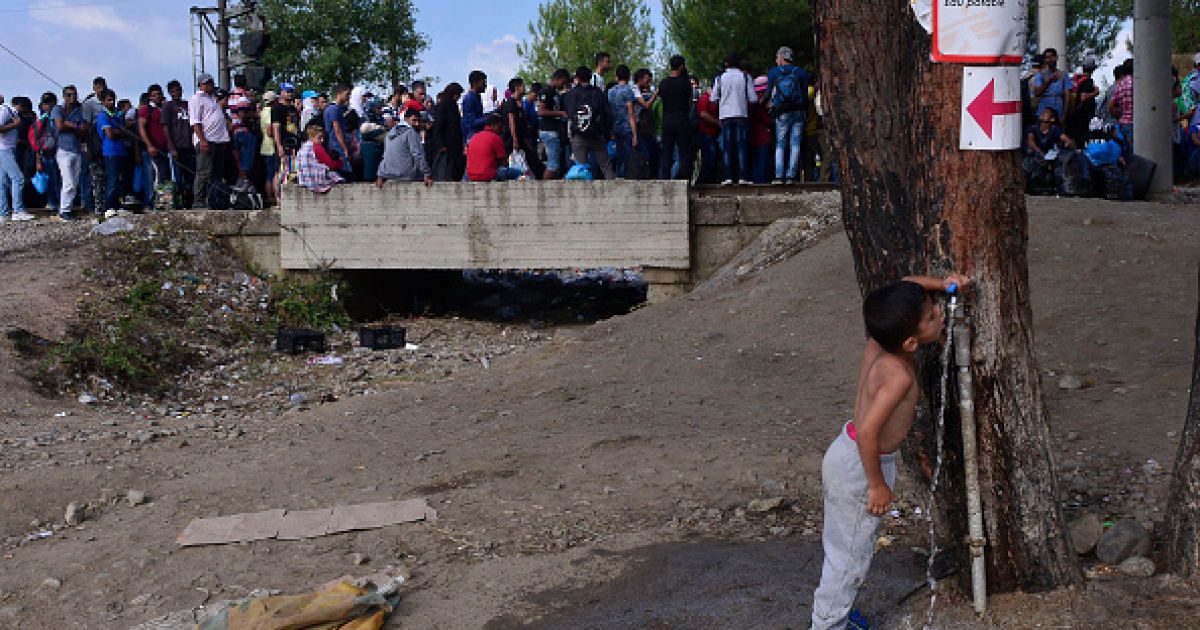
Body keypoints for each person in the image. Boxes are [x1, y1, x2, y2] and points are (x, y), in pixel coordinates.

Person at [810, 274, 968, 630]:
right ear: (911, 342)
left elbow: (906, 282)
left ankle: (834, 613)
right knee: (849, 557)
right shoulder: (899, 376)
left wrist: (941, 284)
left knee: (843, 545)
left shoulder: (879, 338)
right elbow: (869, 431)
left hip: (846, 451)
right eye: (931, 316)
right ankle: (828, 624)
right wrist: (877, 484)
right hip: (861, 465)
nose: (939, 312)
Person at [764, 46, 810, 184]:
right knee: (795, 143)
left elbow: (768, 93)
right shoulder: (801, 72)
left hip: (782, 111)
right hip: (798, 111)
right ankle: (791, 175)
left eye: (777, 57)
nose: (776, 60)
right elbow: (804, 95)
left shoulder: (774, 72)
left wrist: (762, 105)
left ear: (782, 57)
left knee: (780, 143)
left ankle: (779, 175)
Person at [711, 52, 757, 185]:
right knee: (741, 146)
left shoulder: (720, 78)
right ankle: (743, 177)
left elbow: (713, 98)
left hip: (725, 115)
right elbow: (753, 99)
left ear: (726, 64)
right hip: (741, 114)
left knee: (727, 147)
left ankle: (728, 177)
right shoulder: (745, 77)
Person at [562, 66, 615, 180]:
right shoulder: (598, 93)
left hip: (578, 135)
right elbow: (607, 114)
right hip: (597, 135)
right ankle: (612, 186)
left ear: (577, 78)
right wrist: (607, 133)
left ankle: (583, 189)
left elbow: (569, 114)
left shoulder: (571, 94)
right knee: (606, 166)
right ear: (590, 77)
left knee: (581, 168)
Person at [189, 73, 230, 208]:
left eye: (211, 82)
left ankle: (213, 199)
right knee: (204, 171)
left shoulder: (213, 98)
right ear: (201, 85)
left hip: (218, 140)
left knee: (216, 172)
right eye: (207, 83)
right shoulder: (196, 99)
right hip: (206, 139)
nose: (211, 85)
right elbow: (195, 122)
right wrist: (202, 140)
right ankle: (198, 200)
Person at [657, 55, 694, 180]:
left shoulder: (663, 84)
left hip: (667, 120)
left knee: (667, 152)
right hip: (682, 119)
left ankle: (665, 180)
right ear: (681, 66)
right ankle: (685, 180)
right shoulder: (686, 83)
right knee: (684, 152)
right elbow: (690, 103)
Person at [376, 107, 432, 186]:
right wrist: (427, 173)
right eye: (414, 120)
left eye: (419, 121)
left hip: (388, 174)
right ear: (406, 119)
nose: (417, 124)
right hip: (407, 174)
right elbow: (418, 155)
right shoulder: (411, 133)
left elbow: (385, 155)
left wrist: (380, 174)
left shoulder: (389, 133)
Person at [54, 85, 86, 219]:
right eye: (68, 95)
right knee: (68, 182)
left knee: (74, 183)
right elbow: (59, 126)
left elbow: (83, 129)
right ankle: (64, 210)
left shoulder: (79, 111)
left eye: (74, 95)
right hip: (63, 150)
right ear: (64, 96)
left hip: (76, 150)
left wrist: (69, 125)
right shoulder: (58, 109)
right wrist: (75, 126)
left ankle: (67, 208)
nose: (72, 97)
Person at [96, 89, 131, 212]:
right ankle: (108, 206)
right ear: (103, 101)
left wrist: (120, 131)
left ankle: (116, 204)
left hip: (121, 150)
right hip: (110, 151)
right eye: (108, 100)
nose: (111, 102)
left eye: (113, 100)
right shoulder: (103, 115)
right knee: (112, 180)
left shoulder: (116, 115)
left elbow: (124, 132)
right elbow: (110, 134)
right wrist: (121, 131)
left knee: (120, 179)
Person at [1022, 108, 1074, 191]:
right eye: (1043, 112)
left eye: (1046, 113)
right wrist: (1041, 153)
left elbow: (1067, 139)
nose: (1043, 114)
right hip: (1034, 156)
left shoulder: (1054, 129)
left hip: (1048, 158)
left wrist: (1067, 144)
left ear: (1052, 119)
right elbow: (1030, 142)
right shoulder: (1033, 128)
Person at [137, 84, 170, 208]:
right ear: (150, 97)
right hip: (152, 149)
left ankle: (162, 201)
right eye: (154, 95)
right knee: (153, 175)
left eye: (159, 94)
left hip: (164, 148)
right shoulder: (147, 109)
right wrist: (149, 145)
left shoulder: (163, 109)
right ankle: (150, 201)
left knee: (163, 175)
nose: (157, 97)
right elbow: (141, 127)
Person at [162, 80, 195, 207]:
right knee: (178, 177)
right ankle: (178, 202)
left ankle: (189, 201)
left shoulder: (187, 104)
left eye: (178, 90)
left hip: (189, 145)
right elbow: (166, 128)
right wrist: (171, 147)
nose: (176, 93)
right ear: (170, 92)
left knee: (191, 176)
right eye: (173, 91)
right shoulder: (168, 107)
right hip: (176, 146)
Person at [0, 96, 32, 222]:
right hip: (5, 149)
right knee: (18, 178)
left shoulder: (8, 111)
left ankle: (3, 213)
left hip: (7, 148)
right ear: (21, 106)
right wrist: (15, 125)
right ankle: (17, 210)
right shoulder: (6, 110)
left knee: (3, 182)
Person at [466, 113, 522, 182]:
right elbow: (503, 162)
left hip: (471, 175)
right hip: (489, 175)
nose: (501, 129)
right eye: (500, 126)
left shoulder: (474, 137)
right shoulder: (495, 138)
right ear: (494, 125)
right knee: (518, 173)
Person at [32, 92, 62, 216]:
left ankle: (60, 203)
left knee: (60, 180)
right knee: (51, 181)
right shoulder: (41, 121)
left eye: (50, 103)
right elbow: (37, 142)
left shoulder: (59, 116)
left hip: (61, 152)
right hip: (47, 154)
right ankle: (54, 203)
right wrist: (38, 160)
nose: (48, 105)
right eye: (46, 103)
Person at [537, 69, 570, 179]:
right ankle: (544, 187)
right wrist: (560, 113)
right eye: (563, 82)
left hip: (554, 130)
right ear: (559, 79)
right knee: (553, 165)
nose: (563, 85)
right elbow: (541, 111)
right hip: (548, 131)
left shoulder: (554, 92)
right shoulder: (546, 91)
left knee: (555, 163)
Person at [430, 83, 465, 181]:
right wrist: (441, 144)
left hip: (454, 144)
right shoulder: (443, 106)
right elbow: (439, 126)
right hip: (447, 144)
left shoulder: (453, 106)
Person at [295, 126, 345, 193]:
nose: (322, 140)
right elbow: (331, 164)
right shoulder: (316, 147)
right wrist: (340, 162)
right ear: (311, 137)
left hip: (303, 181)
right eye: (319, 138)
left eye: (322, 138)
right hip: (316, 181)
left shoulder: (302, 149)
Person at [1065, 56, 1100, 146]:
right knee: (1082, 142)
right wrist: (1095, 93)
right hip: (1082, 118)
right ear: (1093, 69)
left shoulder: (1075, 79)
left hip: (1072, 116)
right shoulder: (1088, 81)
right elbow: (1083, 97)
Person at [608, 65, 636, 178]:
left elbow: (609, 112)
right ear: (628, 77)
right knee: (626, 157)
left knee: (616, 156)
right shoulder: (628, 91)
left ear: (616, 76)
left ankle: (617, 176)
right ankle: (623, 177)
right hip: (626, 128)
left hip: (614, 128)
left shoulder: (610, 91)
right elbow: (631, 113)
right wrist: (635, 134)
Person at [1032, 47, 1071, 119]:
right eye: (1047, 57)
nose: (1050, 59)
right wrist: (1050, 81)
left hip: (1058, 109)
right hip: (1043, 109)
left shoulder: (1063, 75)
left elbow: (1067, 96)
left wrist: (1064, 115)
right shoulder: (1040, 75)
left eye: (1052, 56)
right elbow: (1037, 93)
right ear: (1044, 60)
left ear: (1056, 57)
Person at [230, 98, 259, 191]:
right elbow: (242, 116)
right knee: (244, 160)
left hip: (244, 135)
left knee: (244, 160)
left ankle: (244, 181)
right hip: (243, 135)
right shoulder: (244, 105)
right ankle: (243, 181)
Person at [748, 76, 773, 184]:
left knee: (754, 163)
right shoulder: (760, 106)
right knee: (762, 163)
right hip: (763, 137)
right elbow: (768, 122)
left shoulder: (749, 104)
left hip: (752, 137)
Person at [323, 84, 352, 173]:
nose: (349, 97)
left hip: (335, 142)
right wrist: (344, 147)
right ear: (339, 93)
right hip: (336, 143)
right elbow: (337, 130)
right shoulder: (333, 109)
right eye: (347, 94)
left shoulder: (337, 109)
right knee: (343, 169)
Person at [1108, 59, 1134, 155]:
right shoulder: (1137, 83)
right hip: (1135, 122)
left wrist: (1119, 117)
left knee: (1127, 151)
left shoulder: (1120, 85)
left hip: (1123, 123)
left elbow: (1111, 106)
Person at [462, 71, 488, 146]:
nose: (485, 85)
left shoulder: (477, 97)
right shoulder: (469, 99)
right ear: (474, 83)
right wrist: (489, 118)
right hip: (472, 138)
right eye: (483, 83)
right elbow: (471, 122)